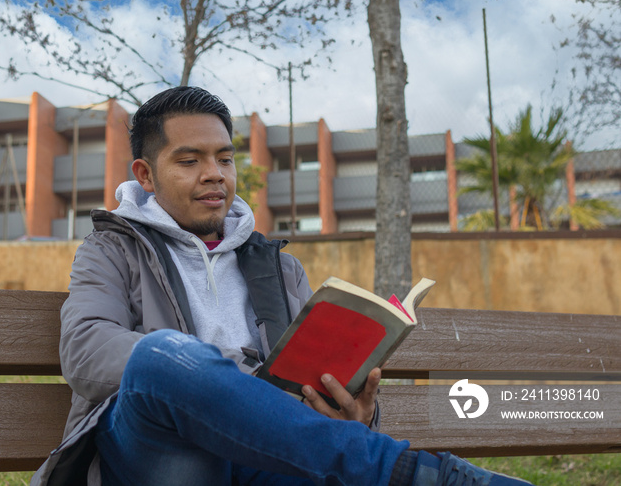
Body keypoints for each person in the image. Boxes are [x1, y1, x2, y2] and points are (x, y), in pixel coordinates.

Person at [31, 86, 533, 486]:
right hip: (158, 456)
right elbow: (86, 349)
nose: (215, 175)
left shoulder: (278, 268)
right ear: (146, 174)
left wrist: (355, 413)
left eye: (224, 159)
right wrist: (221, 380)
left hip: (259, 461)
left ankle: (394, 467)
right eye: (190, 161)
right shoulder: (112, 249)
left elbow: (305, 391)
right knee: (161, 357)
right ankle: (418, 475)